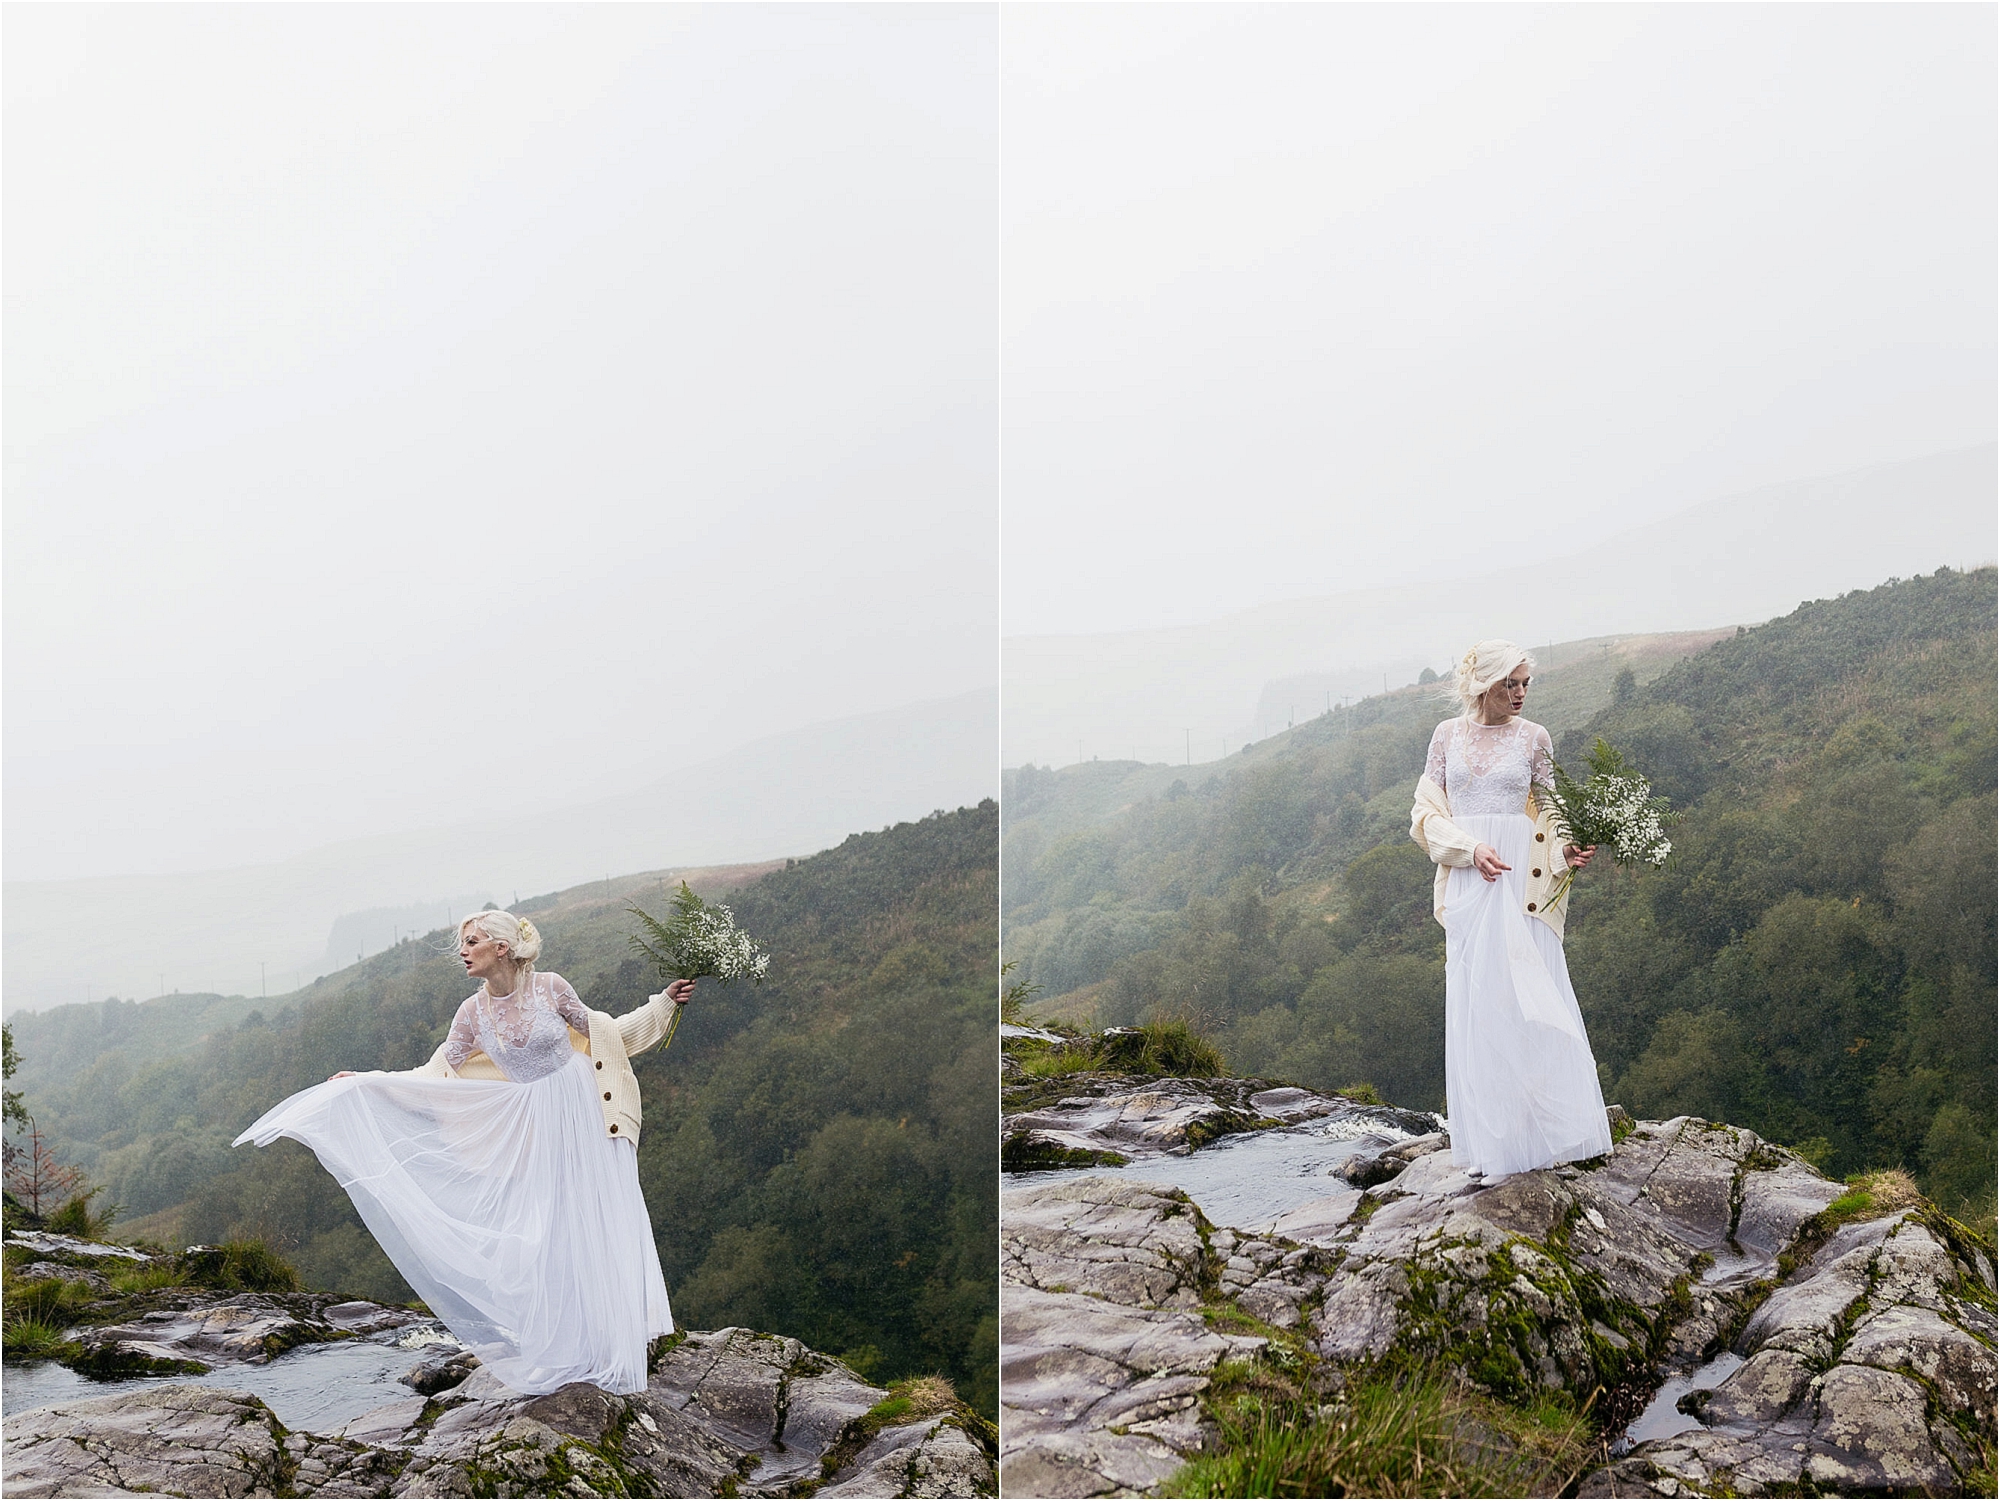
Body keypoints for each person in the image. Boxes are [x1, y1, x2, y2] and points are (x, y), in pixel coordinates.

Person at [234, 909, 693, 1395]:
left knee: (592, 1218)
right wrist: (368, 1083)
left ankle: (613, 1341)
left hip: (584, 1112)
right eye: (463, 942)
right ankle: (572, 1351)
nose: (463, 950)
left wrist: (661, 1006)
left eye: (472, 941)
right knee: (548, 1231)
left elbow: (607, 1036)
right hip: (535, 1125)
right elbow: (434, 1073)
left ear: (501, 948)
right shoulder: (472, 1014)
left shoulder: (551, 988)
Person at [1409, 639, 1612, 1181]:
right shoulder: (1446, 736)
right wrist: (1468, 850)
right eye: (1510, 683)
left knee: (1531, 995)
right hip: (1471, 877)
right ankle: (1494, 1145)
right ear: (1484, 685)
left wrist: (1569, 849)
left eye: (1525, 683)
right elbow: (1425, 813)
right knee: (1479, 1002)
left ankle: (1549, 1133)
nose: (1520, 693)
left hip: (1523, 878)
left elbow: (1550, 809)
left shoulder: (1534, 738)